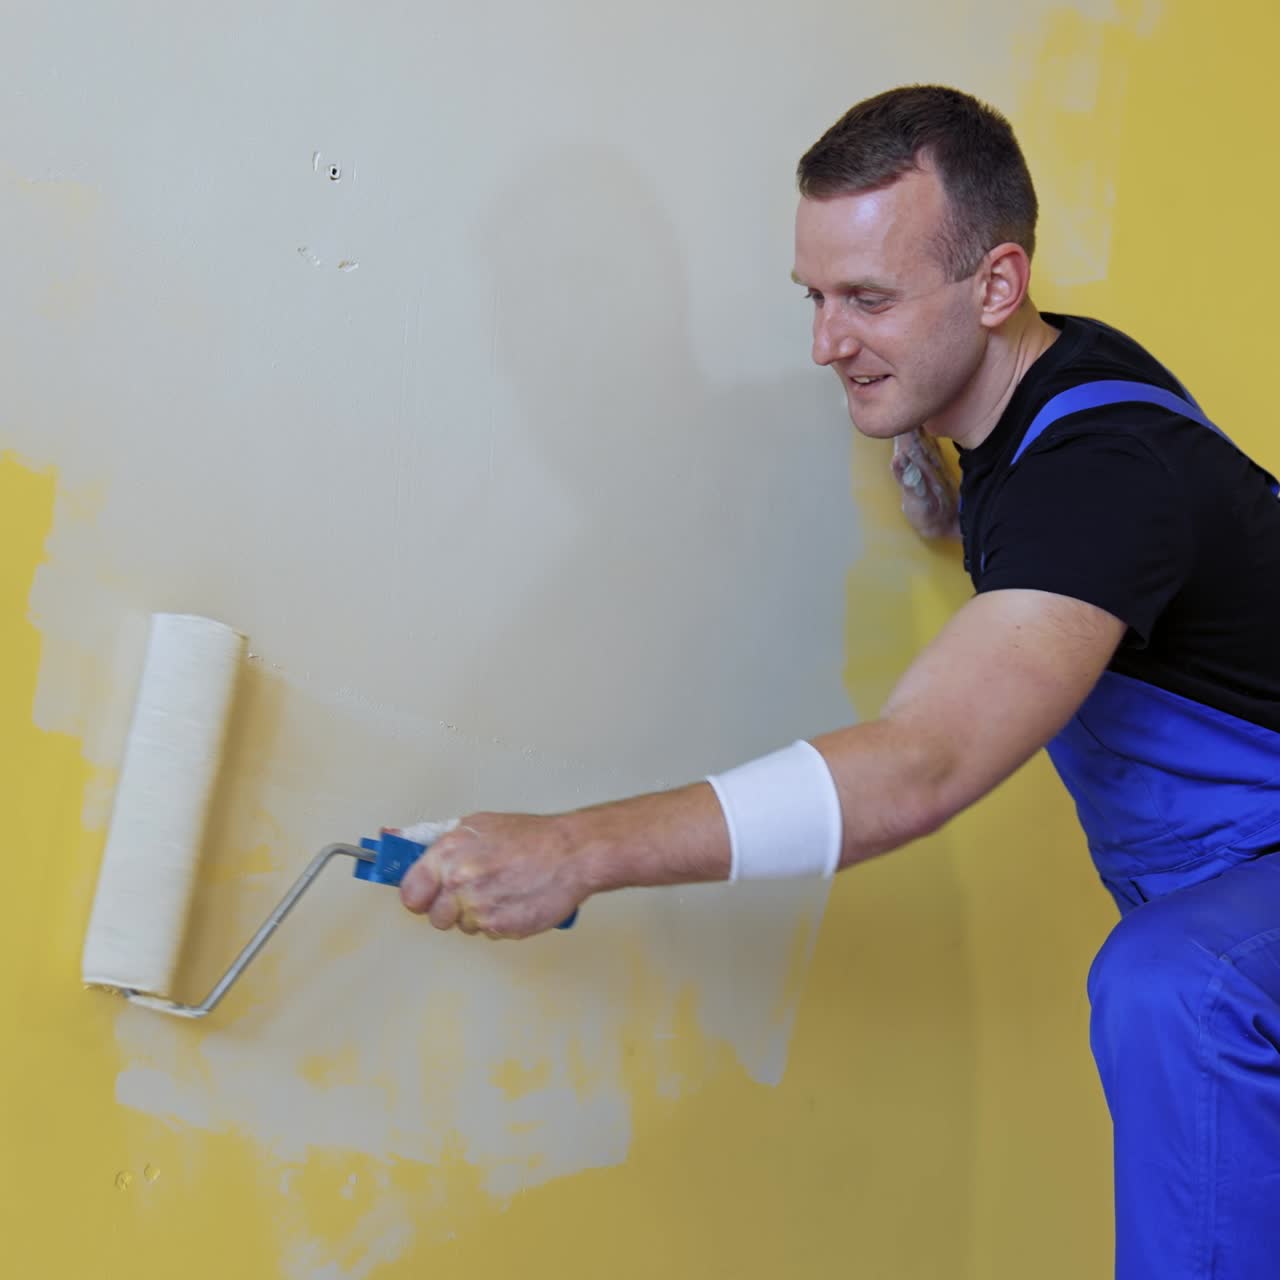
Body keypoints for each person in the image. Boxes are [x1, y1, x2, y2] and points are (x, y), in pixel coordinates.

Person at [396, 86, 1280, 1278]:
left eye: (866, 300)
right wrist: (930, 466)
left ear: (995, 284)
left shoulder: (1099, 479)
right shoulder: (1043, 388)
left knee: (1176, 988)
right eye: (813, 297)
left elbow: (922, 761)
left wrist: (577, 850)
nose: (824, 343)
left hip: (1240, 890)